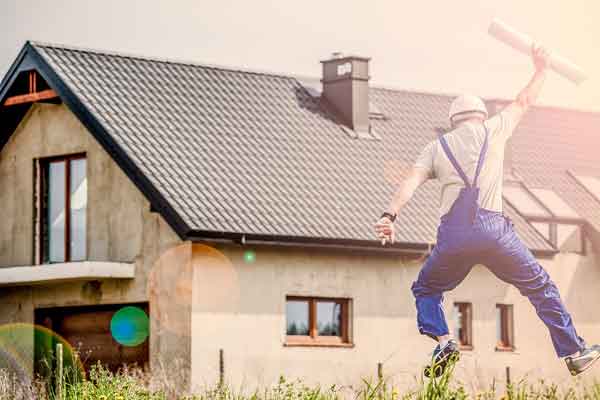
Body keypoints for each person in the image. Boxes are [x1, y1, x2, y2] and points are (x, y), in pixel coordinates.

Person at [374, 45, 600, 377]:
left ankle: (444, 341)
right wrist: (541, 69)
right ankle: (574, 351)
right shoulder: (494, 129)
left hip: (454, 237)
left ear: (452, 121)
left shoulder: (436, 147)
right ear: (480, 115)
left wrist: (389, 216)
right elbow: (524, 100)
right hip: (495, 233)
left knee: (426, 288)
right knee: (540, 287)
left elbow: (410, 182)